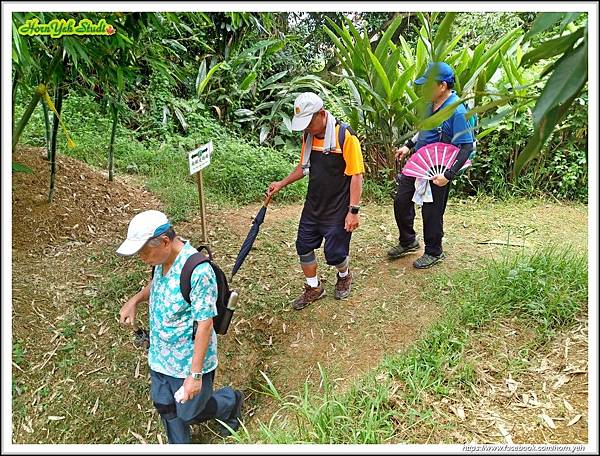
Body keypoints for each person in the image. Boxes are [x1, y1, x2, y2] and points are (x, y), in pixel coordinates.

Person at [117, 210, 243, 444]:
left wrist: (194, 376)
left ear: (165, 241)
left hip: (188, 362)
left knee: (190, 412)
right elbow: (156, 286)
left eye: (144, 252)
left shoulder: (198, 271)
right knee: (165, 405)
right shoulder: (161, 259)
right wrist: (134, 300)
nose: (142, 258)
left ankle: (230, 402)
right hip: (160, 356)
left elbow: (205, 324)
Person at [266, 92, 365, 310]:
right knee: (303, 245)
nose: (306, 128)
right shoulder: (308, 136)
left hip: (338, 206)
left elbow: (357, 175)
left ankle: (344, 274)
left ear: (321, 114)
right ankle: (314, 287)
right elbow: (304, 167)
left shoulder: (345, 136)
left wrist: (353, 211)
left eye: (309, 122)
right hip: (313, 203)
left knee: (335, 253)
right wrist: (282, 183)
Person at [388, 62, 475, 269]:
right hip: (420, 163)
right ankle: (408, 241)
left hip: (441, 168)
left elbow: (466, 147)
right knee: (401, 200)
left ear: (443, 86)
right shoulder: (429, 105)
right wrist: (408, 146)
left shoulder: (457, 111)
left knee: (432, 211)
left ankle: (434, 251)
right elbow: (424, 131)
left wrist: (449, 174)